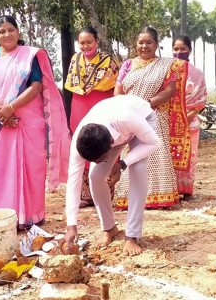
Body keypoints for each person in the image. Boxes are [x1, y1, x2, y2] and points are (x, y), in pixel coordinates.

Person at [0, 15, 71, 230]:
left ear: (18, 32)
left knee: (33, 166)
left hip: (28, 119)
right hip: (2, 121)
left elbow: (36, 86)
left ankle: (33, 216)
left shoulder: (30, 56)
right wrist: (2, 112)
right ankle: (6, 217)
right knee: (3, 168)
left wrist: (11, 108)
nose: (7, 34)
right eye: (2, 31)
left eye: (11, 30)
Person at [64, 96, 160, 256]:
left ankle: (132, 235)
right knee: (95, 177)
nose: (99, 162)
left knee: (138, 170)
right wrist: (71, 226)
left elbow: (153, 143)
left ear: (110, 144)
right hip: (113, 129)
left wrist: (122, 164)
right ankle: (109, 228)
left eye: (101, 158)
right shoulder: (79, 142)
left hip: (141, 120)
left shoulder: (127, 117)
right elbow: (73, 181)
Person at [113, 27, 190, 210]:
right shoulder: (128, 65)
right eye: (141, 42)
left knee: (155, 155)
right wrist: (128, 107)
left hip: (153, 116)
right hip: (130, 116)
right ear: (136, 44)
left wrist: (146, 105)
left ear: (156, 44)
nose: (144, 46)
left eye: (149, 42)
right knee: (130, 156)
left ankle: (158, 195)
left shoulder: (167, 65)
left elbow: (169, 91)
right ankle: (129, 197)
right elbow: (118, 91)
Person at [64, 27, 119, 207]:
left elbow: (116, 86)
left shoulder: (108, 61)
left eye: (89, 42)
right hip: (79, 105)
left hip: (101, 102)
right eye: (82, 43)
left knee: (104, 142)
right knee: (82, 143)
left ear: (97, 41)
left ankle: (105, 193)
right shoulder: (75, 59)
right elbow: (72, 84)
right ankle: (86, 195)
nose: (86, 46)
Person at [172, 35, 207, 198]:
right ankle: (170, 189)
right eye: (176, 49)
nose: (179, 53)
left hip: (190, 121)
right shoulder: (167, 71)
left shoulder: (197, 74)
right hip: (169, 122)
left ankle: (186, 190)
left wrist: (185, 118)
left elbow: (200, 101)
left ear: (189, 50)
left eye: (183, 49)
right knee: (169, 156)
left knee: (190, 156)